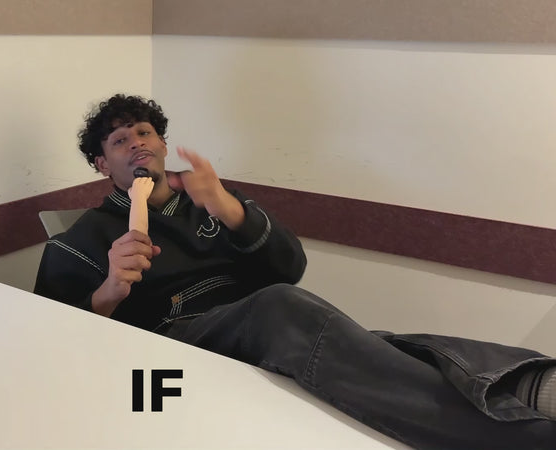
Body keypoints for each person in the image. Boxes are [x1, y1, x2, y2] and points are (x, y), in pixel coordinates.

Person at [34, 94, 556, 449]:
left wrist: (230, 209)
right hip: (179, 344)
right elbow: (55, 345)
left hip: (261, 326)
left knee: (372, 344)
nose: (137, 143)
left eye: (144, 132)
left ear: (164, 144)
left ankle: (528, 381)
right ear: (102, 164)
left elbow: (291, 267)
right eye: (119, 140)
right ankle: (522, 437)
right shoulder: (81, 241)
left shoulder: (209, 200)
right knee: (281, 307)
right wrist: (109, 290)